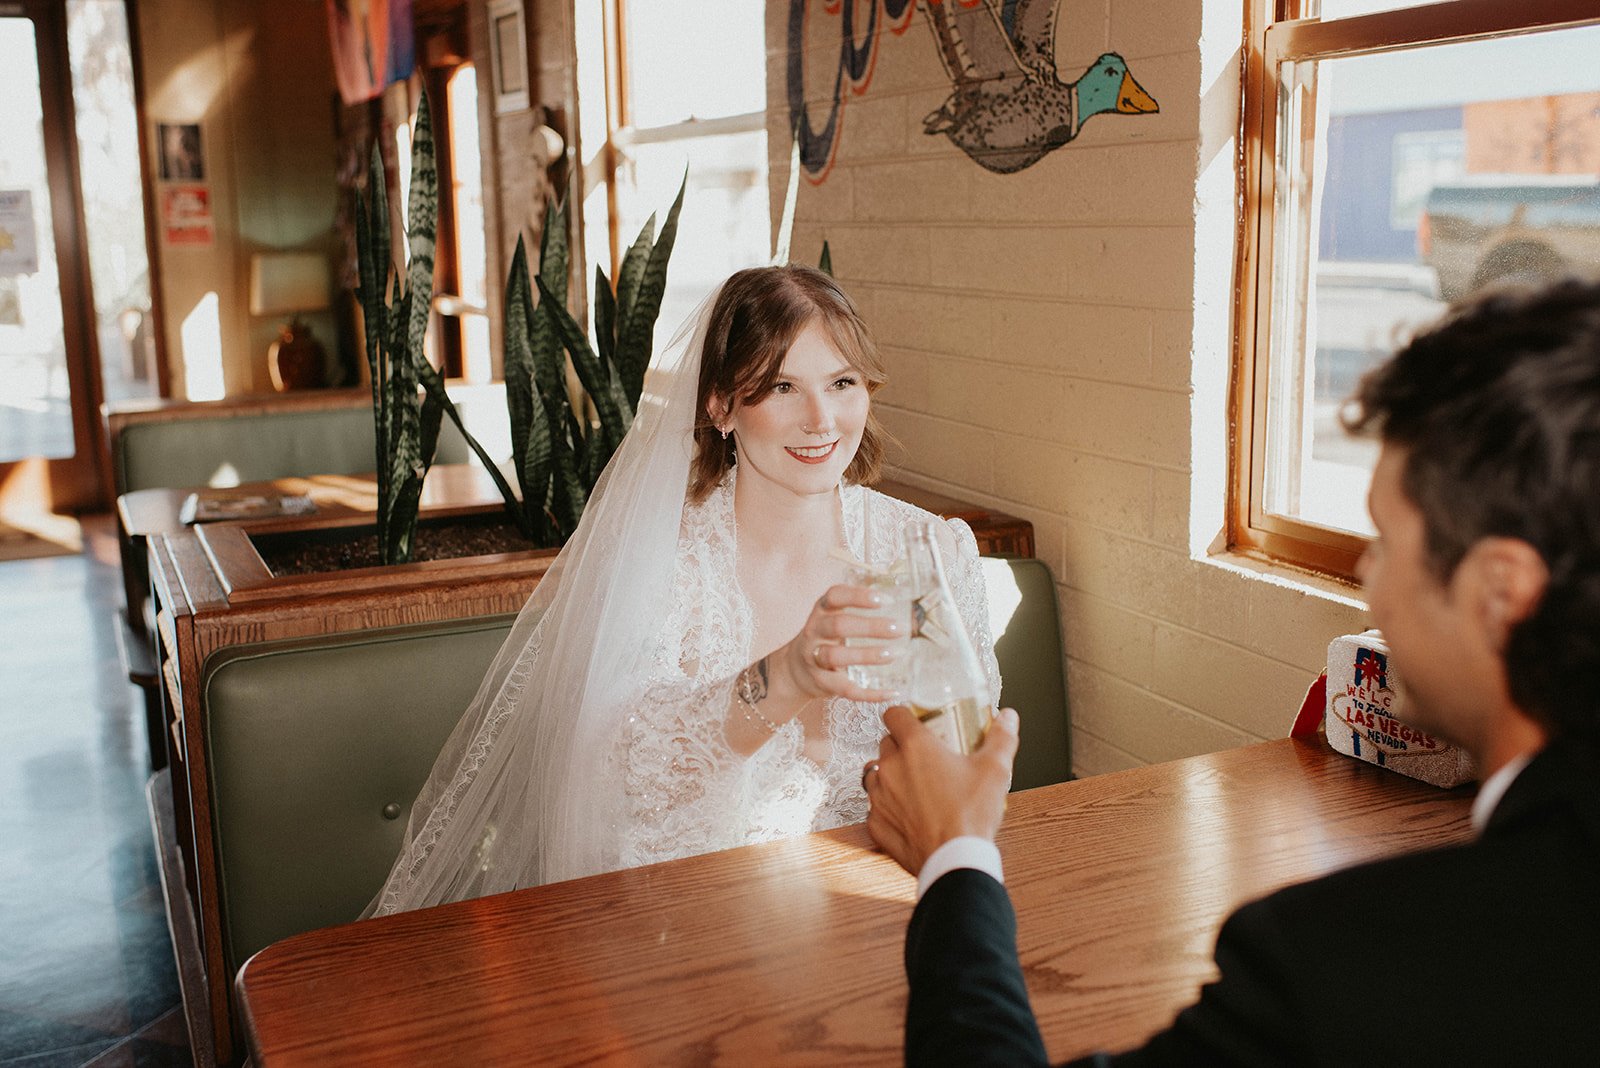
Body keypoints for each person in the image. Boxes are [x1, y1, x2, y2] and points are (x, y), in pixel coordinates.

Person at [863, 278, 1600, 1065]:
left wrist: (954, 854)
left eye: (1384, 540)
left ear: (1500, 593)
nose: (1366, 574)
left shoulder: (1349, 965)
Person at [367, 264, 998, 915]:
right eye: (783, 386)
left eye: (842, 382)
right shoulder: (656, 561)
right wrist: (786, 675)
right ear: (720, 405)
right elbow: (625, 780)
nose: (822, 419)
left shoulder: (931, 552)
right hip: (695, 915)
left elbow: (968, 758)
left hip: (893, 908)